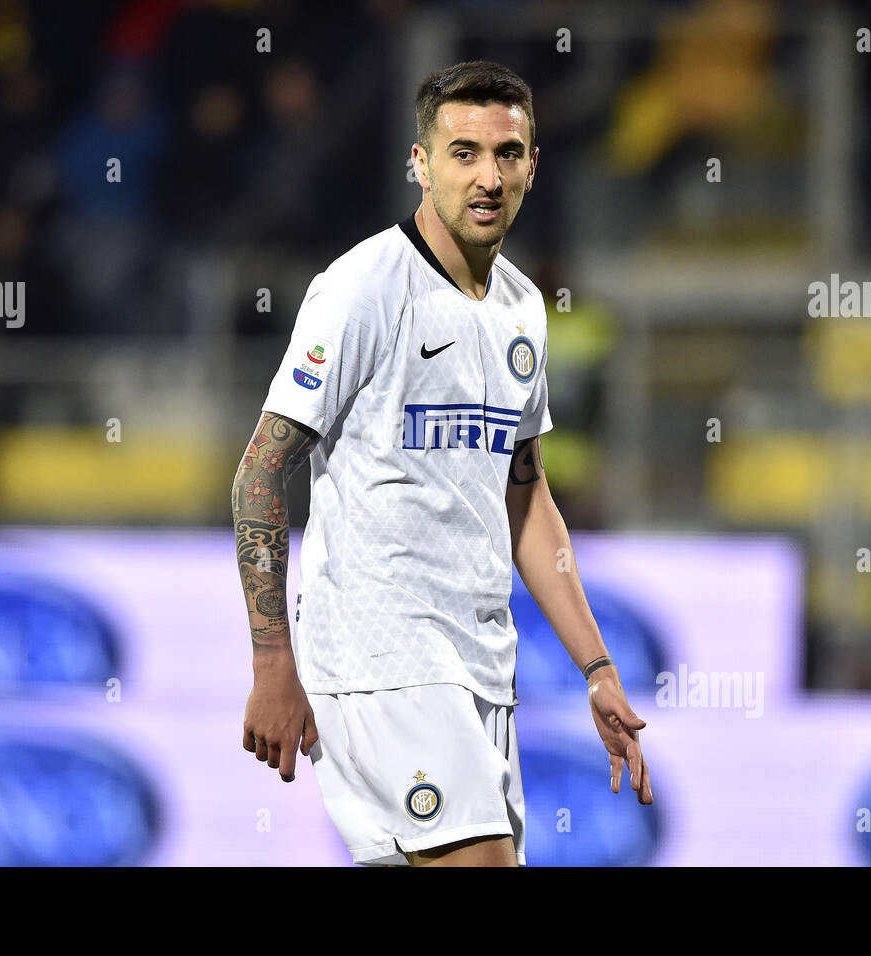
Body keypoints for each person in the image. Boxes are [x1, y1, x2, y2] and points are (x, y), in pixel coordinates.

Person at [232, 60, 651, 868]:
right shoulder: (363, 289)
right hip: (380, 659)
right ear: (419, 164)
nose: (488, 176)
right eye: (463, 153)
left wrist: (597, 669)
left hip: (480, 670)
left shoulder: (525, 307)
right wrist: (272, 663)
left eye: (508, 153)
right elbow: (259, 473)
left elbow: (524, 498)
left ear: (534, 165)